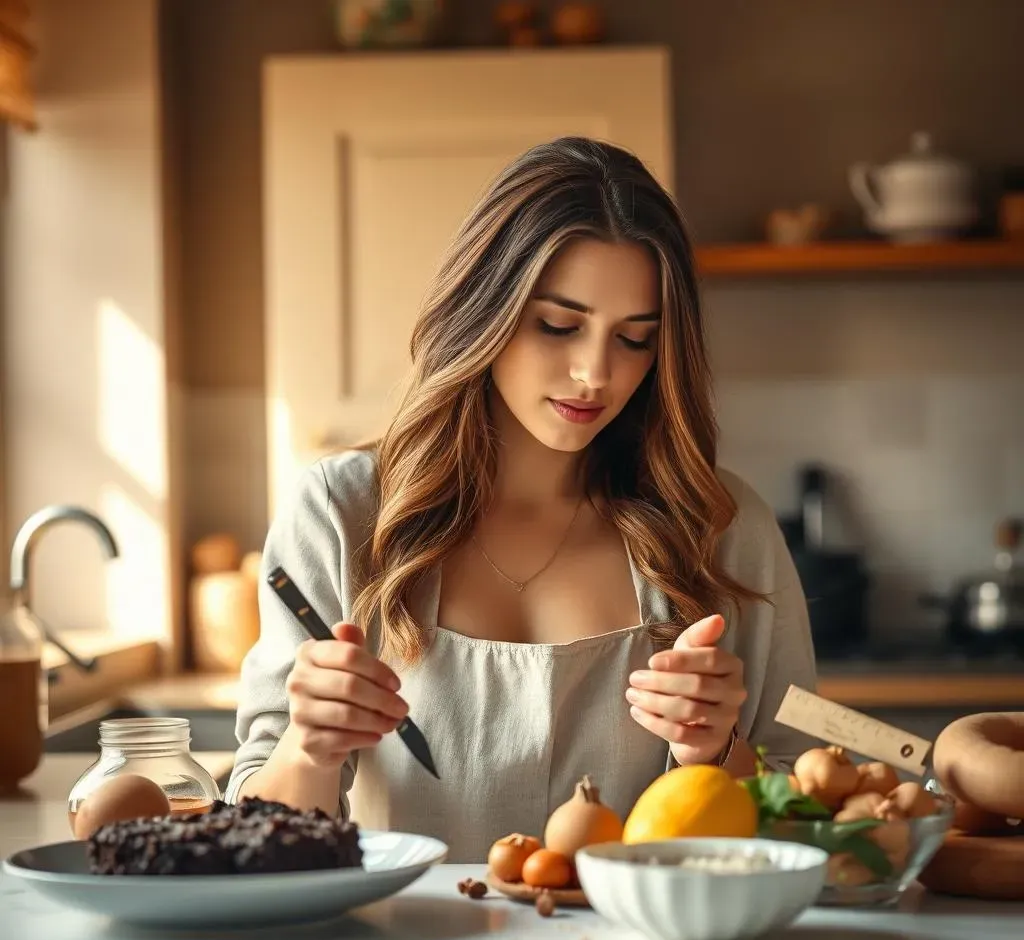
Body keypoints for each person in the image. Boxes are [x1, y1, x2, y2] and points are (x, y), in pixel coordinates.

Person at [226, 136, 818, 861]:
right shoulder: (341, 515)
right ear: (485, 310)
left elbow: (808, 817)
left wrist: (716, 755)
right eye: (559, 326)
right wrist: (309, 748)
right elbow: (253, 838)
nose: (594, 373)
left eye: (634, 339)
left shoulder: (724, 529)